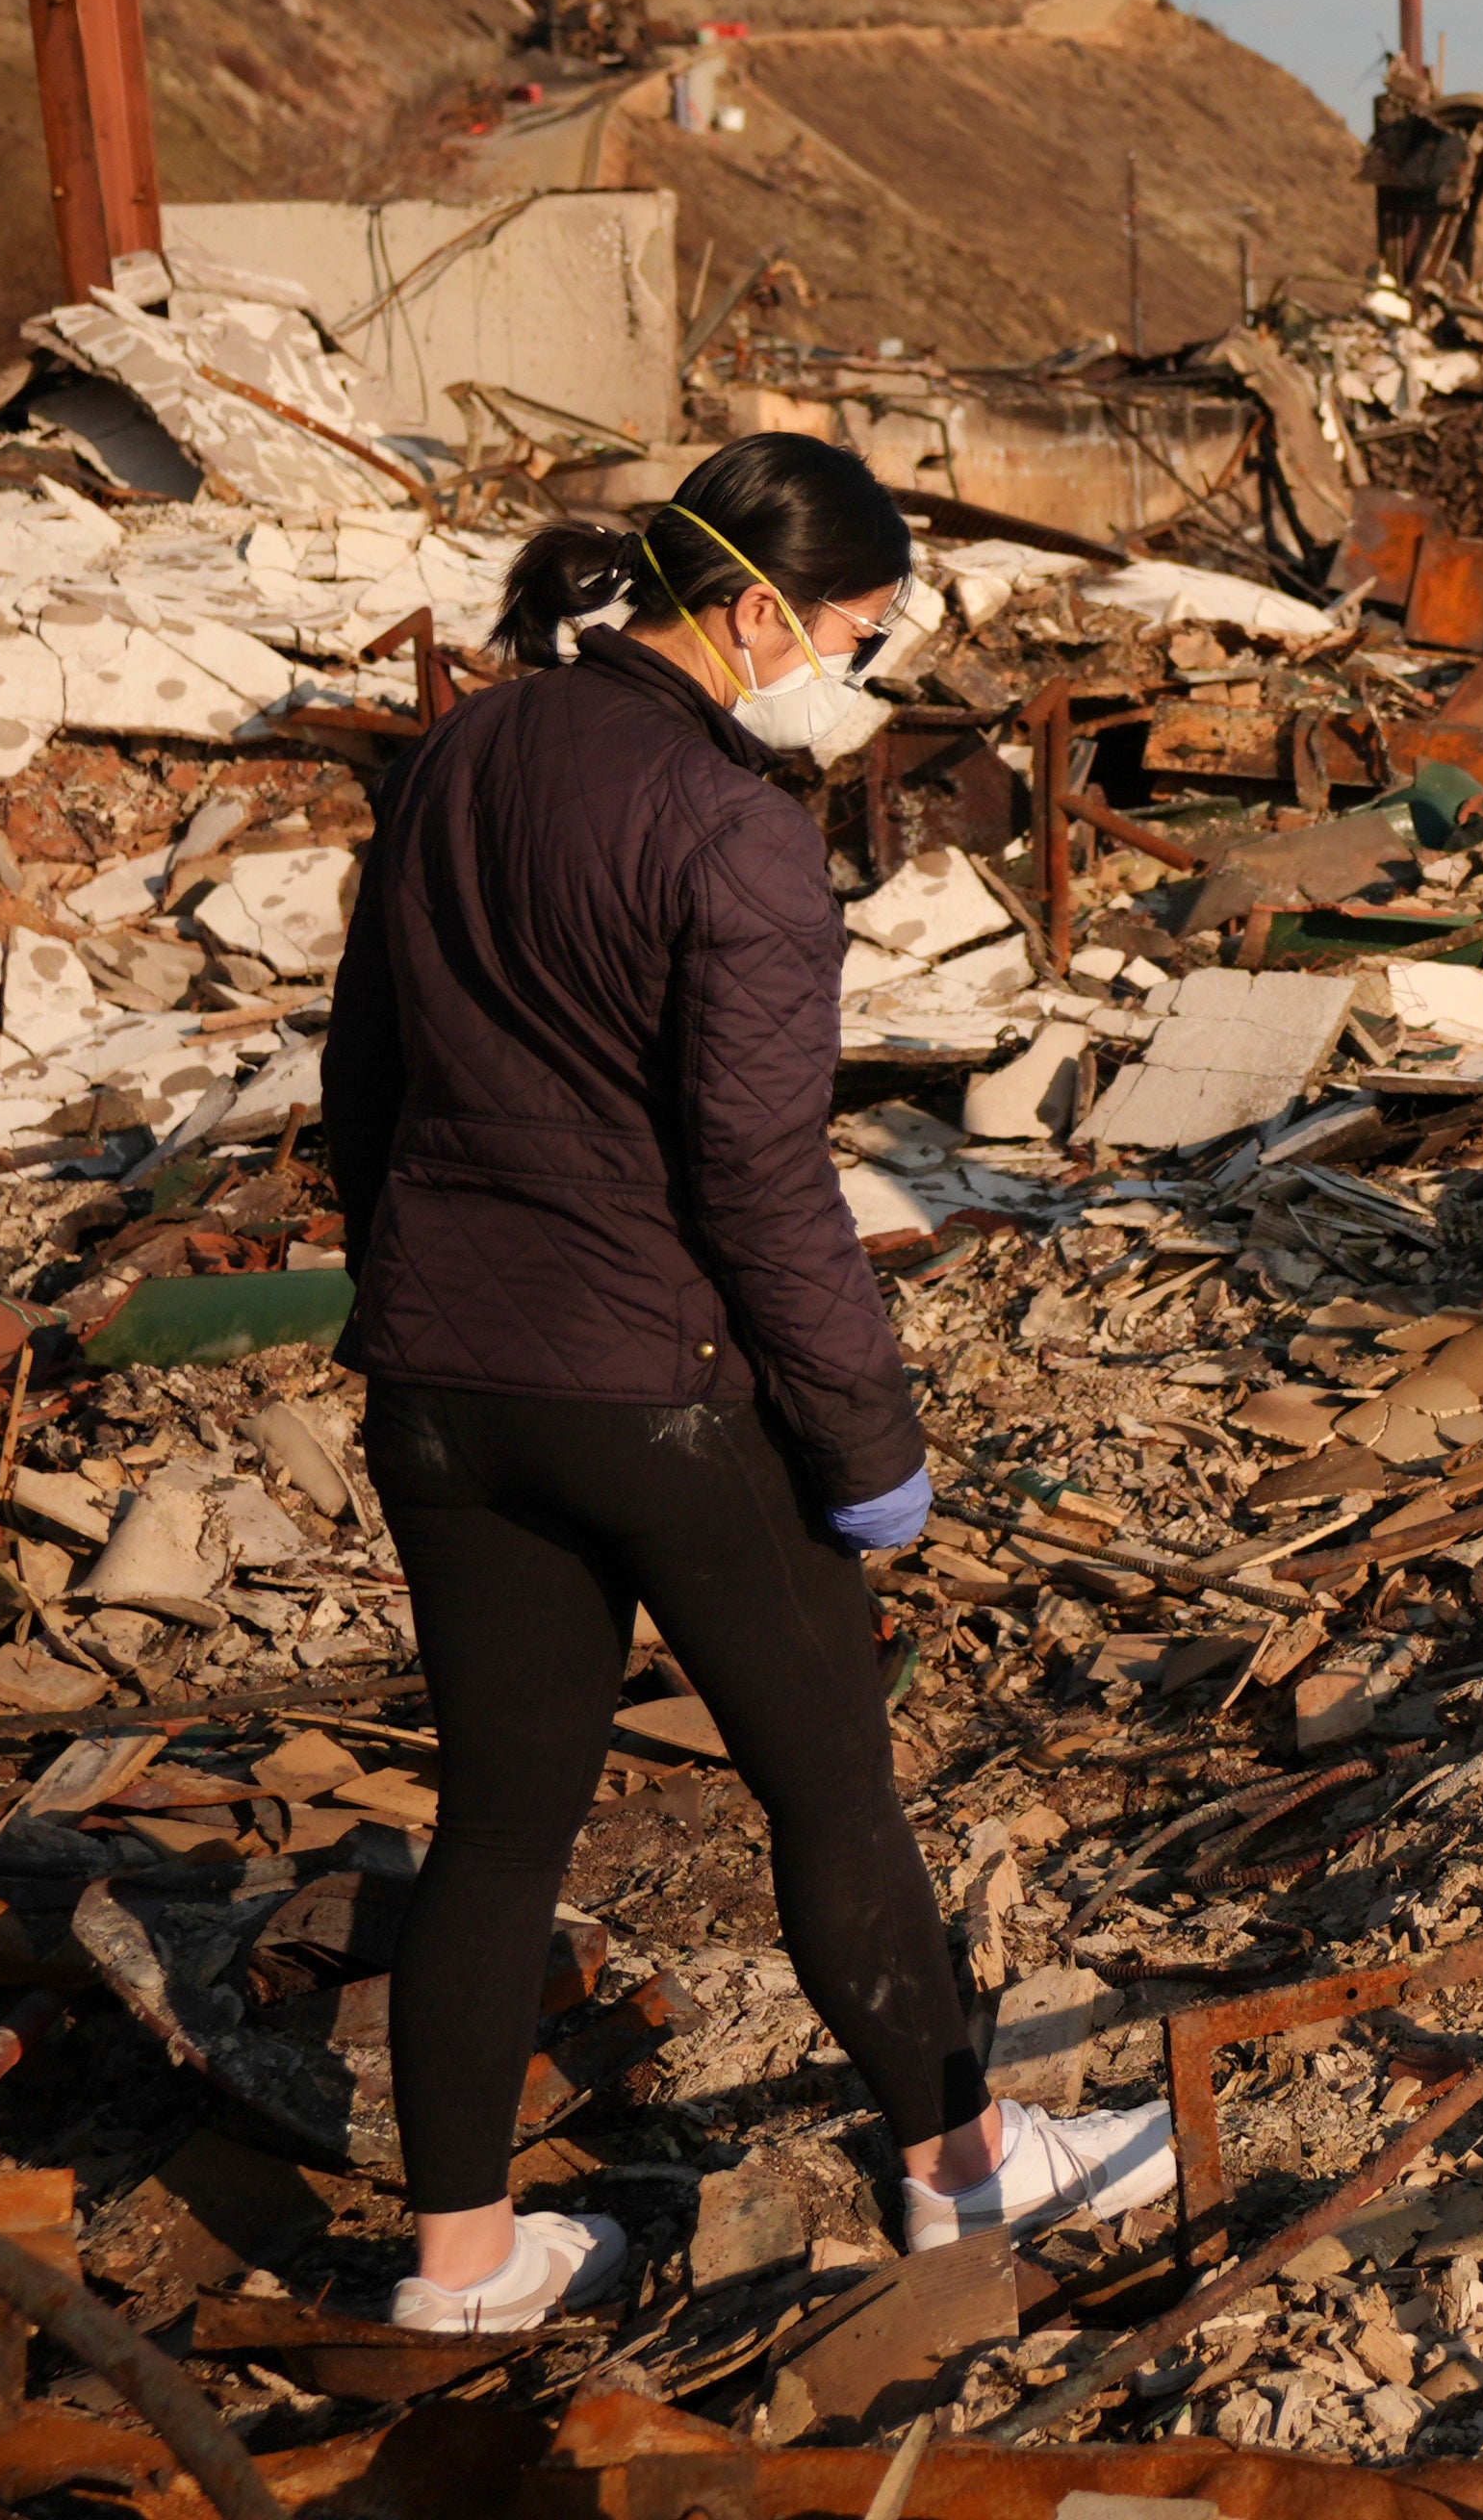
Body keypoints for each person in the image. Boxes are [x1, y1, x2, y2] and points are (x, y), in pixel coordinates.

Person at [325, 431, 1170, 2332]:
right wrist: (870, 1438)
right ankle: (967, 2166)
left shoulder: (467, 746)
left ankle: (462, 2267)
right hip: (666, 1392)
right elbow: (763, 1186)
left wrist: (418, 1274)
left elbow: (361, 1065)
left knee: (496, 1823)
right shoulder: (739, 836)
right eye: (862, 638)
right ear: (760, 609)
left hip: (446, 1385)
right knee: (833, 1793)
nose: (860, 685)